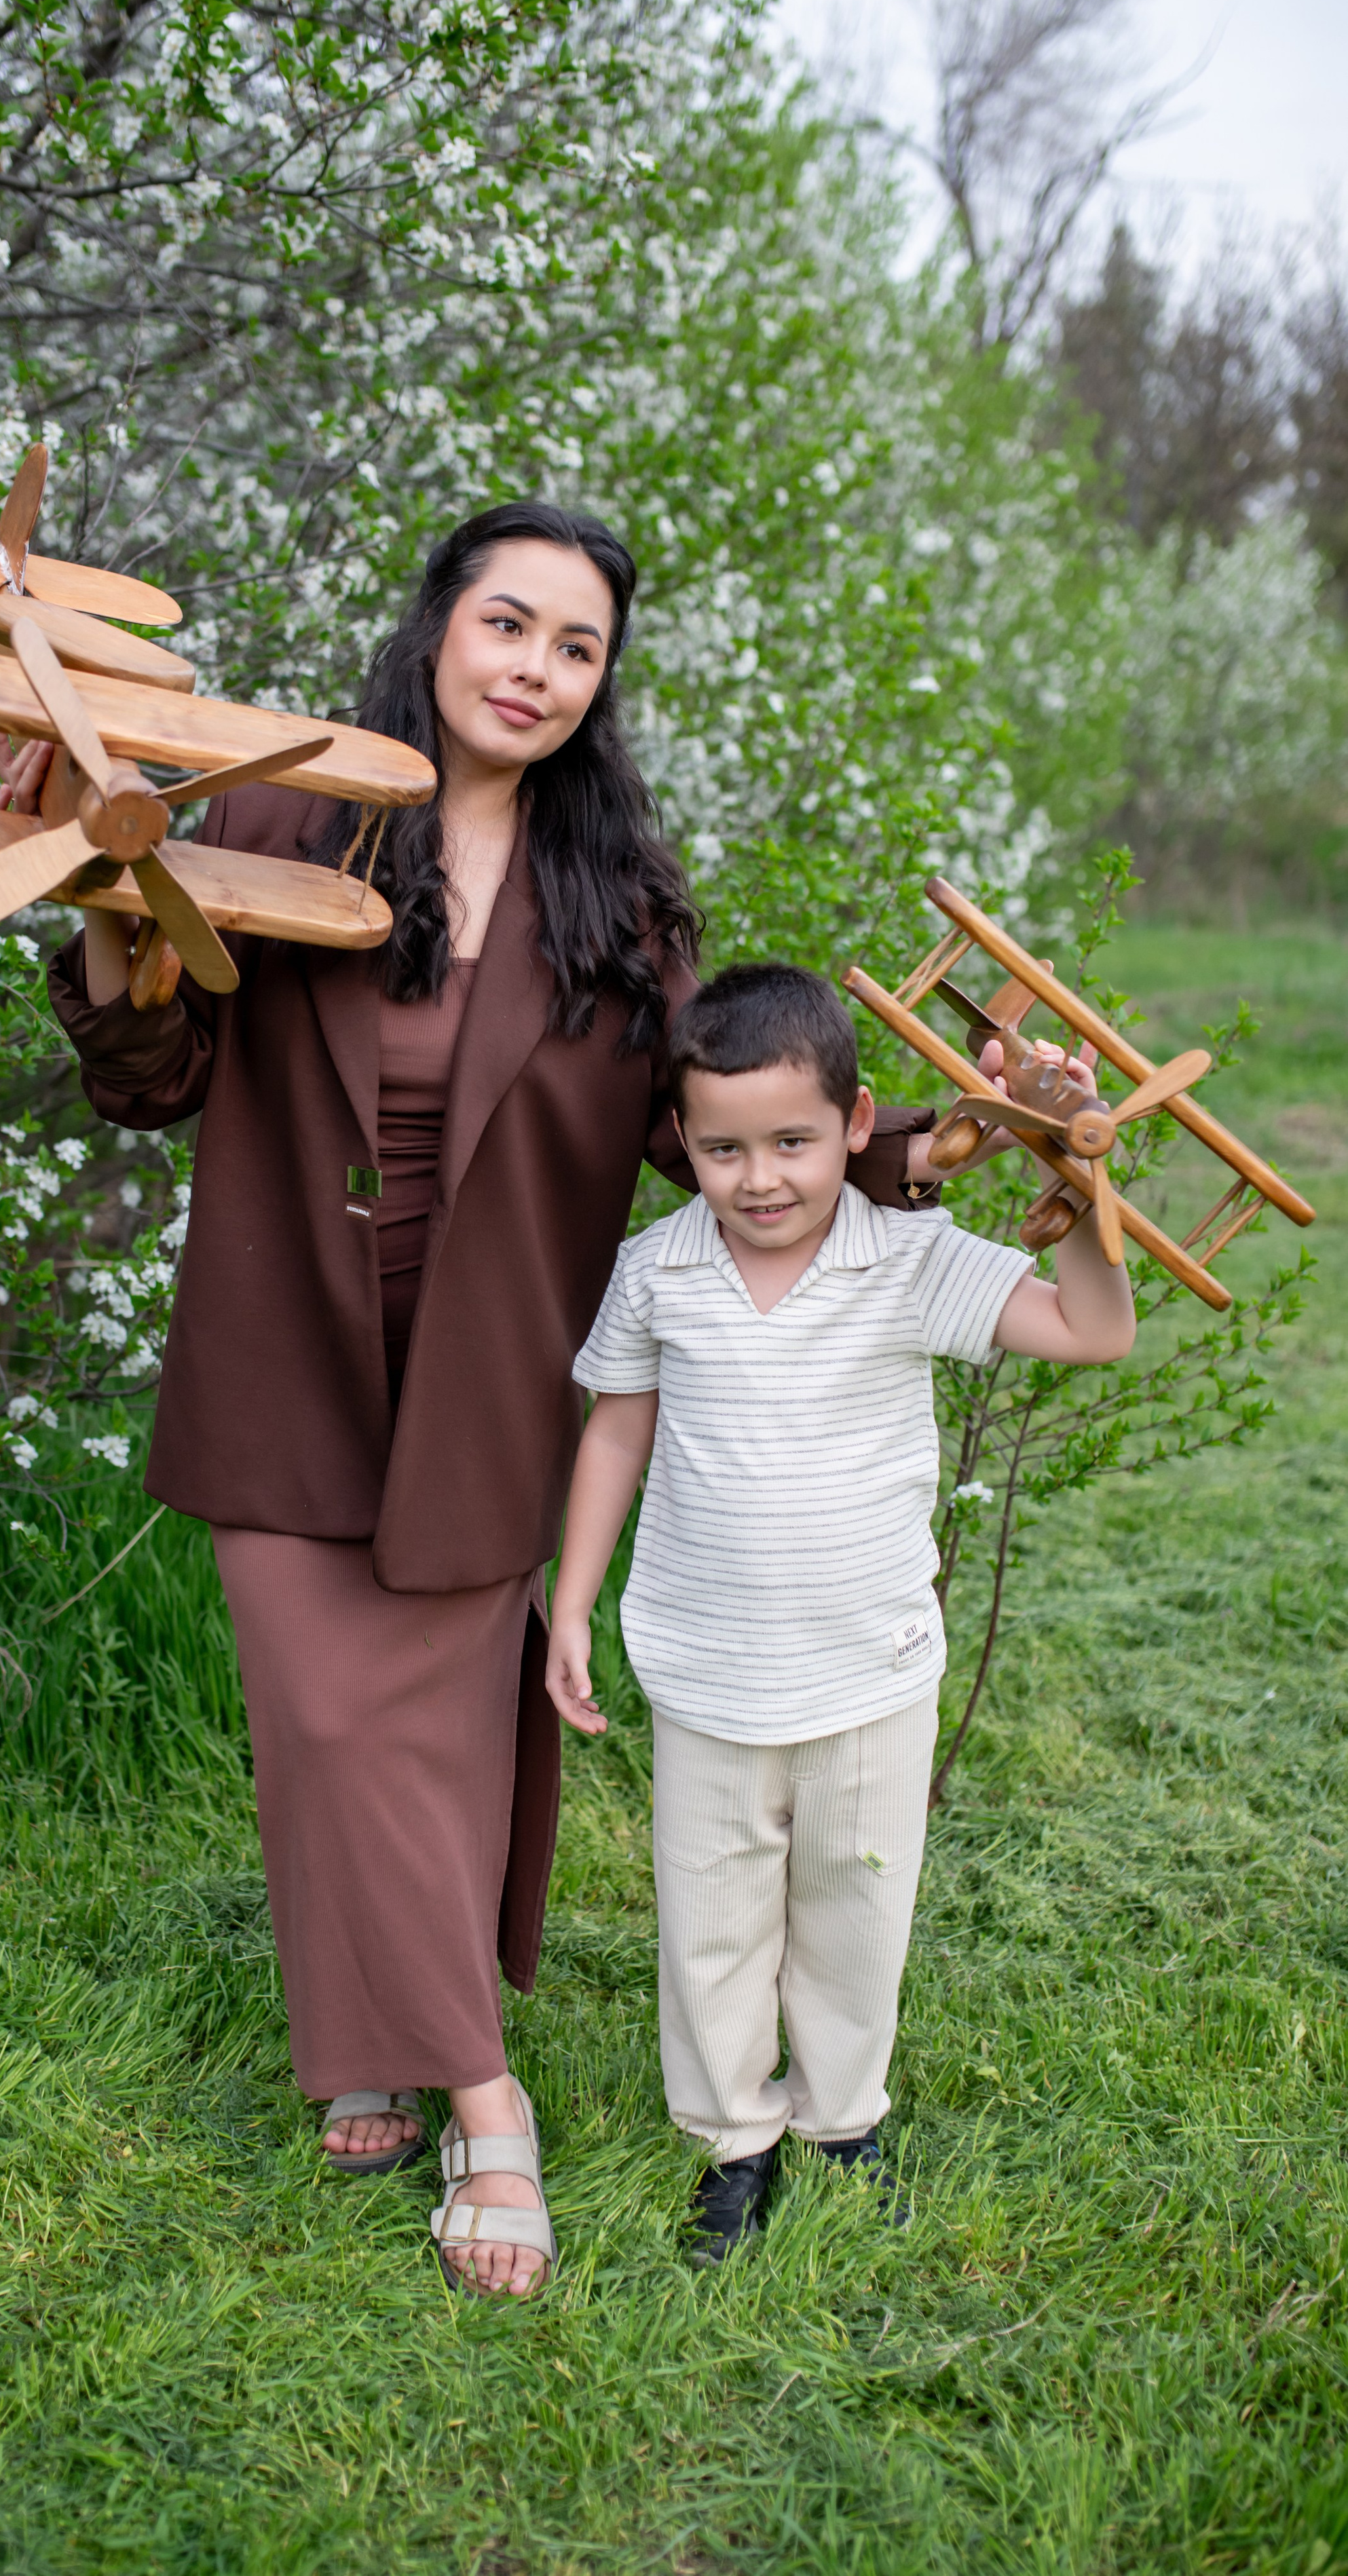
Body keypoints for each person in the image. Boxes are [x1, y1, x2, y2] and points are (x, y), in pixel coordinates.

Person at [37, 505, 956, 2298]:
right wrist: (96, 923)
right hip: (287, 1347)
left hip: (485, 1378)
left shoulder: (619, 902)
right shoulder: (276, 815)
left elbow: (719, 1142)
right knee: (328, 1723)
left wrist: (933, 1151)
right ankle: (485, 2089)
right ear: (440, 629)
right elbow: (155, 1074)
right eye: (507, 625)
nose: (532, 668)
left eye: (575, 647)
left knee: (442, 1741)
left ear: (601, 686)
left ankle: (390, 2042)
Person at [544, 962, 1136, 2260]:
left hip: (871, 1666)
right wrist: (570, 1605)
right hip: (705, 1664)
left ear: (860, 1126)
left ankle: (842, 2121)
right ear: (685, 1146)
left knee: (857, 1907)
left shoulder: (909, 1259)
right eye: (723, 1149)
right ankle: (731, 2142)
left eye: (794, 1143)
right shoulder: (660, 1272)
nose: (760, 1178)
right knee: (711, 1917)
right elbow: (614, 1437)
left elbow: (1094, 1332)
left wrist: (1090, 1188)